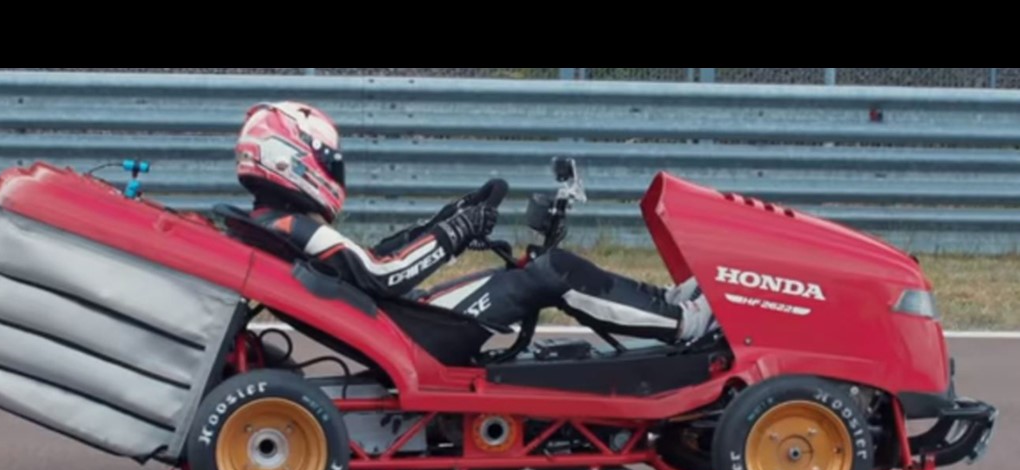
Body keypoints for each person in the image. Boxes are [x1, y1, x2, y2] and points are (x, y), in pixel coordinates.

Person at [233, 101, 715, 348]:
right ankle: (680, 324)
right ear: (293, 159)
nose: (335, 173)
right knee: (550, 272)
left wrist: (449, 220)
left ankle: (664, 303)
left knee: (540, 267)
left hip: (405, 319)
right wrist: (459, 230)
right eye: (329, 161)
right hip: (418, 332)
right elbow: (384, 275)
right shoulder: (293, 227)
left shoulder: (278, 224)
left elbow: (372, 262)